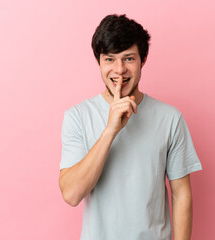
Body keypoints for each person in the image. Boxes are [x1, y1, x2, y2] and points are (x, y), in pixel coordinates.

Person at [58, 14, 202, 240]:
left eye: (128, 59)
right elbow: (72, 194)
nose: (119, 70)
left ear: (143, 59)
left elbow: (181, 193)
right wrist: (110, 130)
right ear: (99, 61)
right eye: (109, 59)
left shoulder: (170, 118)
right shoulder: (77, 116)